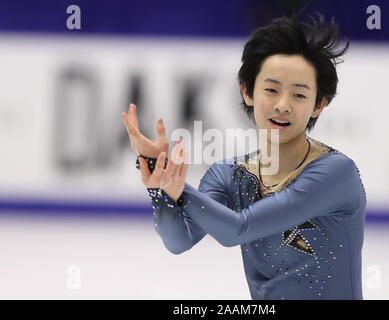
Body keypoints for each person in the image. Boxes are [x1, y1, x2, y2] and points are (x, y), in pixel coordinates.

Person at [121, 14, 367, 300]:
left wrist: (181, 190)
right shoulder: (229, 175)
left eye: (299, 95)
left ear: (319, 104)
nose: (282, 105)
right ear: (248, 92)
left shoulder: (335, 173)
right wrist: (159, 187)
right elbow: (179, 240)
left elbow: (238, 229)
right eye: (272, 90)